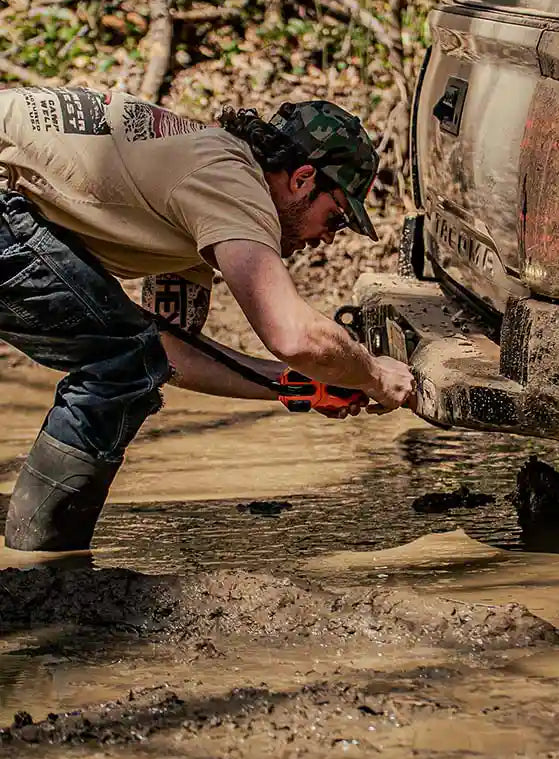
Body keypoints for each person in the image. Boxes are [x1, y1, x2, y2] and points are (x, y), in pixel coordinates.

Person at [0, 86, 415, 552]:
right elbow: (294, 335)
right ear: (301, 179)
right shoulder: (233, 184)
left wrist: (302, 385)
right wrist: (376, 374)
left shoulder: (204, 183)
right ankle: (46, 572)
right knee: (120, 362)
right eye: (336, 218)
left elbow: (166, 353)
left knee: (129, 359)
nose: (327, 239)